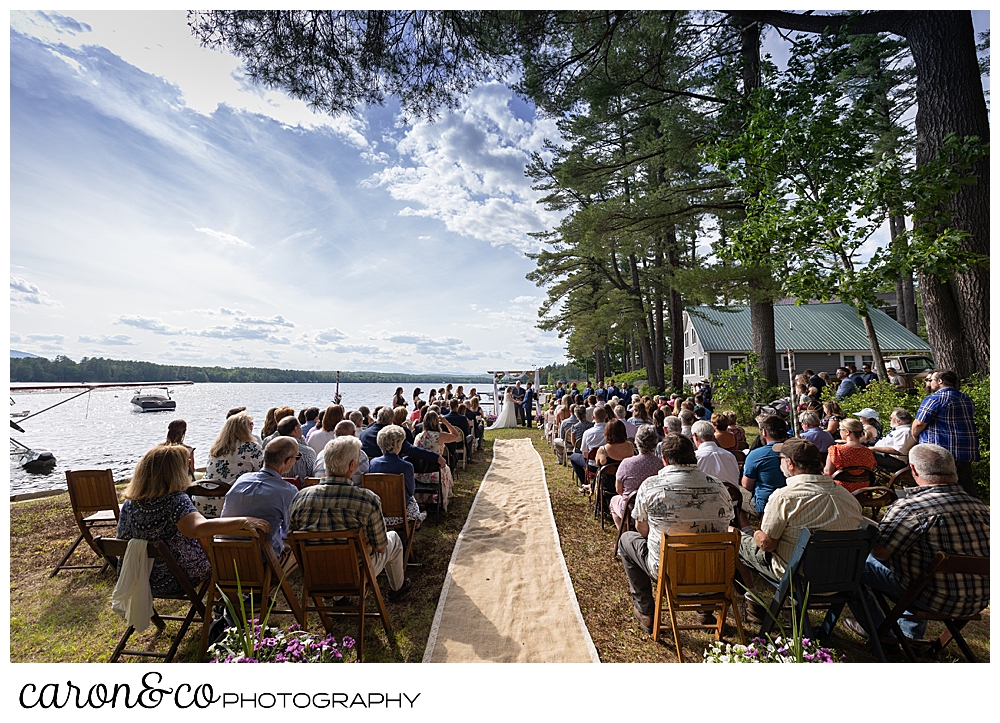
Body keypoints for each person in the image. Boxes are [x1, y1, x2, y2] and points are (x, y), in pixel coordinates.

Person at [840, 444, 990, 642]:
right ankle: (911, 636)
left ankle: (880, 632)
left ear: (913, 470)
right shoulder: (981, 508)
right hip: (978, 600)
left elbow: (881, 553)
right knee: (919, 560)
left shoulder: (911, 508)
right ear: (954, 469)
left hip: (932, 597)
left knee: (850, 563)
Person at [617, 434, 733, 633]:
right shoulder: (718, 486)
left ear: (664, 459)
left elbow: (641, 529)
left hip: (669, 570)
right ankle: (704, 610)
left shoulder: (651, 486)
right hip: (713, 570)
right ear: (693, 456)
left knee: (627, 539)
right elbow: (726, 522)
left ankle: (646, 611)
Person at [117, 444, 270, 595]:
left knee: (205, 552)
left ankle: (224, 606)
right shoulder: (176, 501)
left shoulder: (130, 503)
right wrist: (242, 521)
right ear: (175, 472)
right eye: (186, 465)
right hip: (173, 579)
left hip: (133, 577)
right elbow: (198, 528)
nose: (189, 469)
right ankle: (230, 606)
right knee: (221, 559)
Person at [736, 438, 863, 620]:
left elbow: (767, 544)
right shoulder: (847, 497)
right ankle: (786, 606)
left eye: (780, 459)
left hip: (800, 578)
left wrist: (755, 533)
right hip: (841, 577)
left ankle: (752, 603)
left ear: (790, 464)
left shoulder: (785, 497)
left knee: (735, 539)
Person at [289, 436, 411, 602]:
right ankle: (398, 587)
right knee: (394, 539)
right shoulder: (366, 500)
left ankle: (338, 597)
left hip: (316, 572)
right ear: (352, 466)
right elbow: (381, 547)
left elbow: (293, 541)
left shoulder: (300, 498)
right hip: (356, 573)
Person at [221, 436, 299, 557]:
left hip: (227, 555)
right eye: (296, 458)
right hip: (262, 560)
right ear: (287, 461)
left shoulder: (242, 479)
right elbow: (290, 532)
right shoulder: (287, 491)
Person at [911, 370, 980, 496]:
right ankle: (976, 511)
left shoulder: (936, 398)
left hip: (941, 451)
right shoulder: (965, 398)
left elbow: (919, 423)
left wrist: (915, 434)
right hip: (964, 450)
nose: (929, 383)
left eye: (931, 380)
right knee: (965, 485)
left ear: (940, 381)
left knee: (939, 487)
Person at [367, 424, 426, 524]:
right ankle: (417, 520)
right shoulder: (406, 466)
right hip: (400, 512)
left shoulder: (373, 463)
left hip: (379, 511)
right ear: (398, 445)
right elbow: (411, 491)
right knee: (412, 499)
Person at [609, 425, 663, 529]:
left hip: (630, 511)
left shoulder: (627, 463)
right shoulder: (660, 464)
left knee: (613, 501)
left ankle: (624, 533)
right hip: (653, 510)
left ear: (637, 442)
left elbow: (618, 490)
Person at [413, 411, 459, 512]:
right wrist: (445, 422)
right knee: (446, 468)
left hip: (419, 474)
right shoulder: (439, 436)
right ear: (436, 423)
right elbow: (456, 435)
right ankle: (443, 498)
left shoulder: (418, 436)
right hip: (434, 474)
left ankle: (426, 499)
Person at [742, 415, 788, 515]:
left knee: (738, 494)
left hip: (765, 505)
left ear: (764, 432)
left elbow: (747, 485)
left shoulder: (756, 454)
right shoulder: (797, 451)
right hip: (794, 503)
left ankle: (746, 529)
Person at [203, 412, 263, 486]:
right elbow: (263, 471)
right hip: (229, 494)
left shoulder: (217, 446)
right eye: (250, 424)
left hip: (204, 492)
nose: (252, 426)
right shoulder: (251, 447)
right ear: (243, 429)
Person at [824, 418, 876, 493]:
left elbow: (827, 472)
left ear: (847, 432)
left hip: (840, 492)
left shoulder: (836, 450)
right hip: (861, 492)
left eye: (840, 429)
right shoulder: (868, 452)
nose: (839, 431)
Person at [592, 419, 634, 499]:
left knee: (600, 470)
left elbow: (597, 464)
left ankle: (591, 488)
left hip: (608, 486)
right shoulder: (630, 446)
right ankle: (590, 487)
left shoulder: (603, 450)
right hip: (626, 483)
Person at [691, 420, 740, 487]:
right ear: (713, 436)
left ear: (696, 436)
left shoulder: (694, 457)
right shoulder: (730, 456)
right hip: (731, 496)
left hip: (706, 496)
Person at [570, 406, 608, 491]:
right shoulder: (610, 431)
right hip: (606, 463)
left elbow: (584, 453)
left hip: (592, 465)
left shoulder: (588, 433)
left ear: (593, 418)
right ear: (606, 416)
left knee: (573, 457)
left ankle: (585, 483)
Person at [870, 408, 916, 473]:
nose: (890, 420)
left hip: (895, 460)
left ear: (899, 421)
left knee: (864, 453)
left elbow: (897, 451)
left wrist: (873, 448)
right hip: (886, 456)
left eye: (891, 418)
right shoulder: (899, 430)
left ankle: (860, 476)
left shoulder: (905, 432)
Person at [276, 415, 317, 483]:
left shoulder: (271, 450)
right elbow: (313, 476)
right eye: (300, 427)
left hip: (276, 490)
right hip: (301, 491)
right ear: (295, 429)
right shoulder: (307, 452)